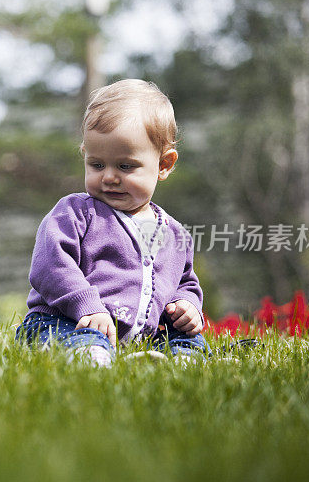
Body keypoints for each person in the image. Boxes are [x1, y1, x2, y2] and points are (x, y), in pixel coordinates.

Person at [17, 79, 207, 367]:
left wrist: (188, 305)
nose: (108, 177)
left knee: (186, 335)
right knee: (74, 335)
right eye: (97, 165)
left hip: (141, 332)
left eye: (125, 166)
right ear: (85, 155)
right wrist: (87, 307)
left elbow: (186, 282)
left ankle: (186, 359)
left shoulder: (173, 233)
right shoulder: (75, 213)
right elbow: (50, 266)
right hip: (64, 320)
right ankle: (88, 355)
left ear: (164, 165)